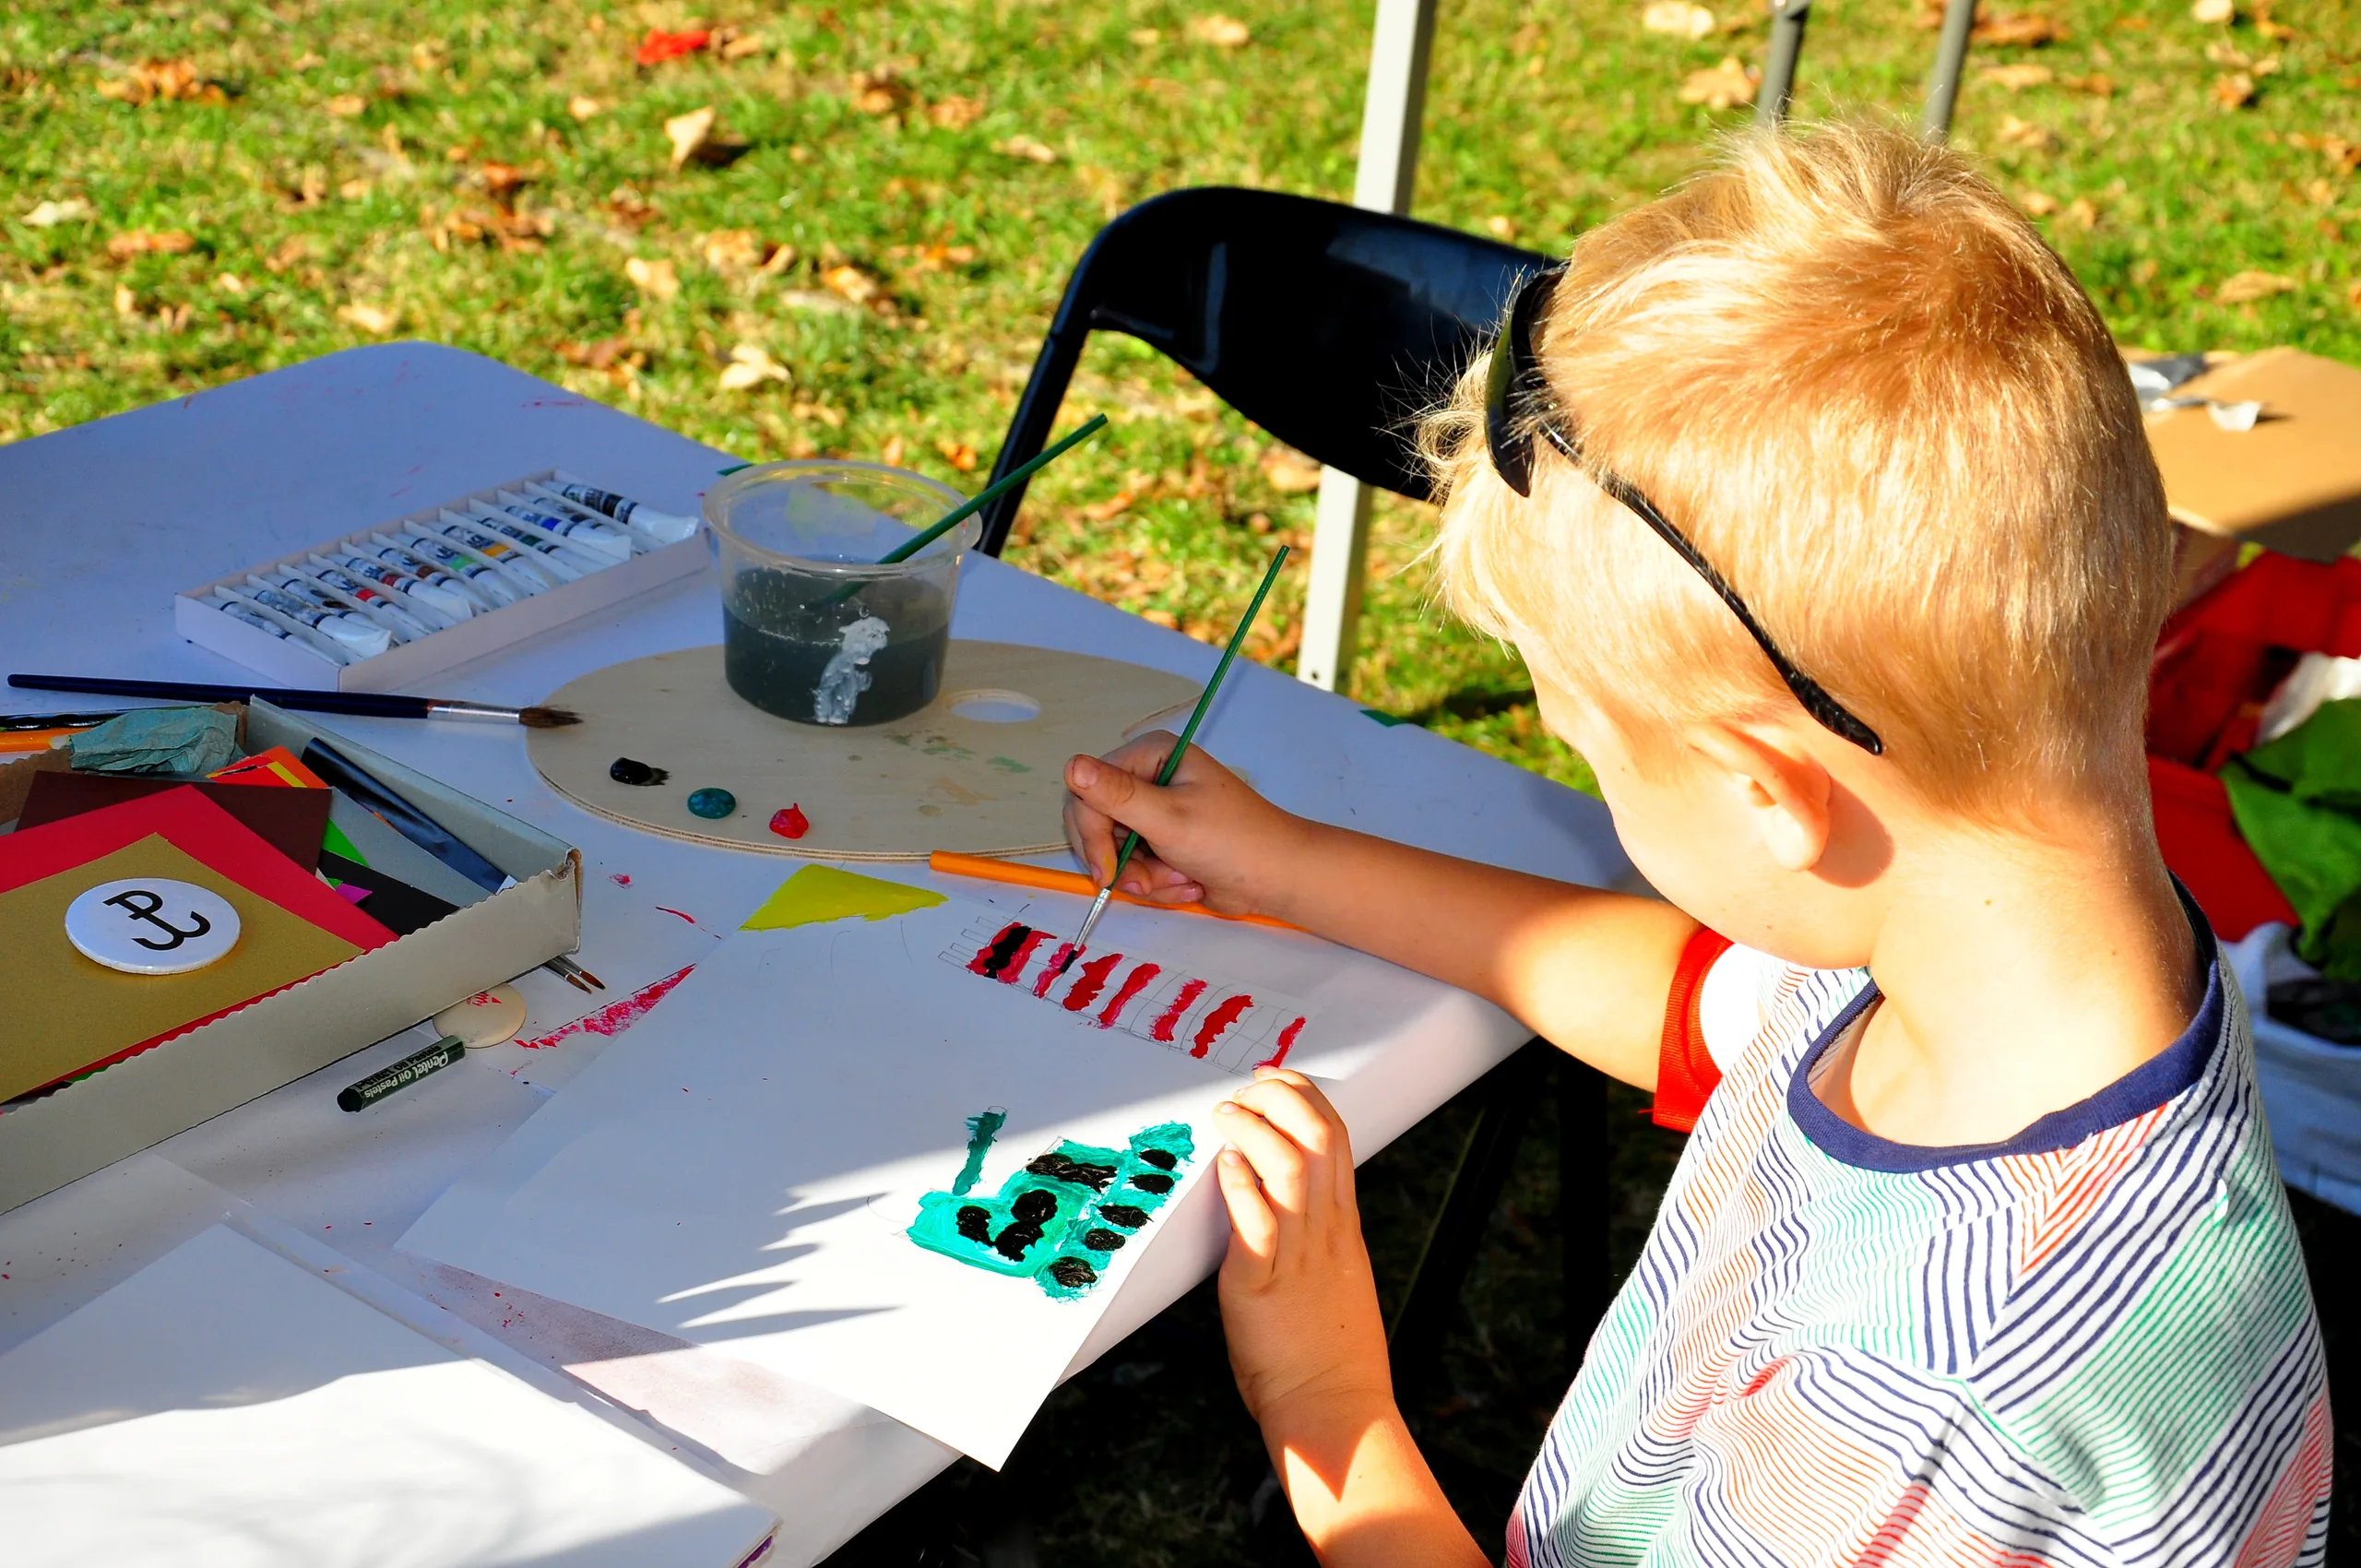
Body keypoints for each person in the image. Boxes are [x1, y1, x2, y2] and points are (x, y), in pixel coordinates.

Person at [1062, 121, 2330, 1565]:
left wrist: (1326, 1398)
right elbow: (1708, 1006)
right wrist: (1285, 864)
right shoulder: (2035, 945)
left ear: (1770, 794)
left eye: (1594, 752)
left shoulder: (1921, 1402)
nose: (1598, 782)